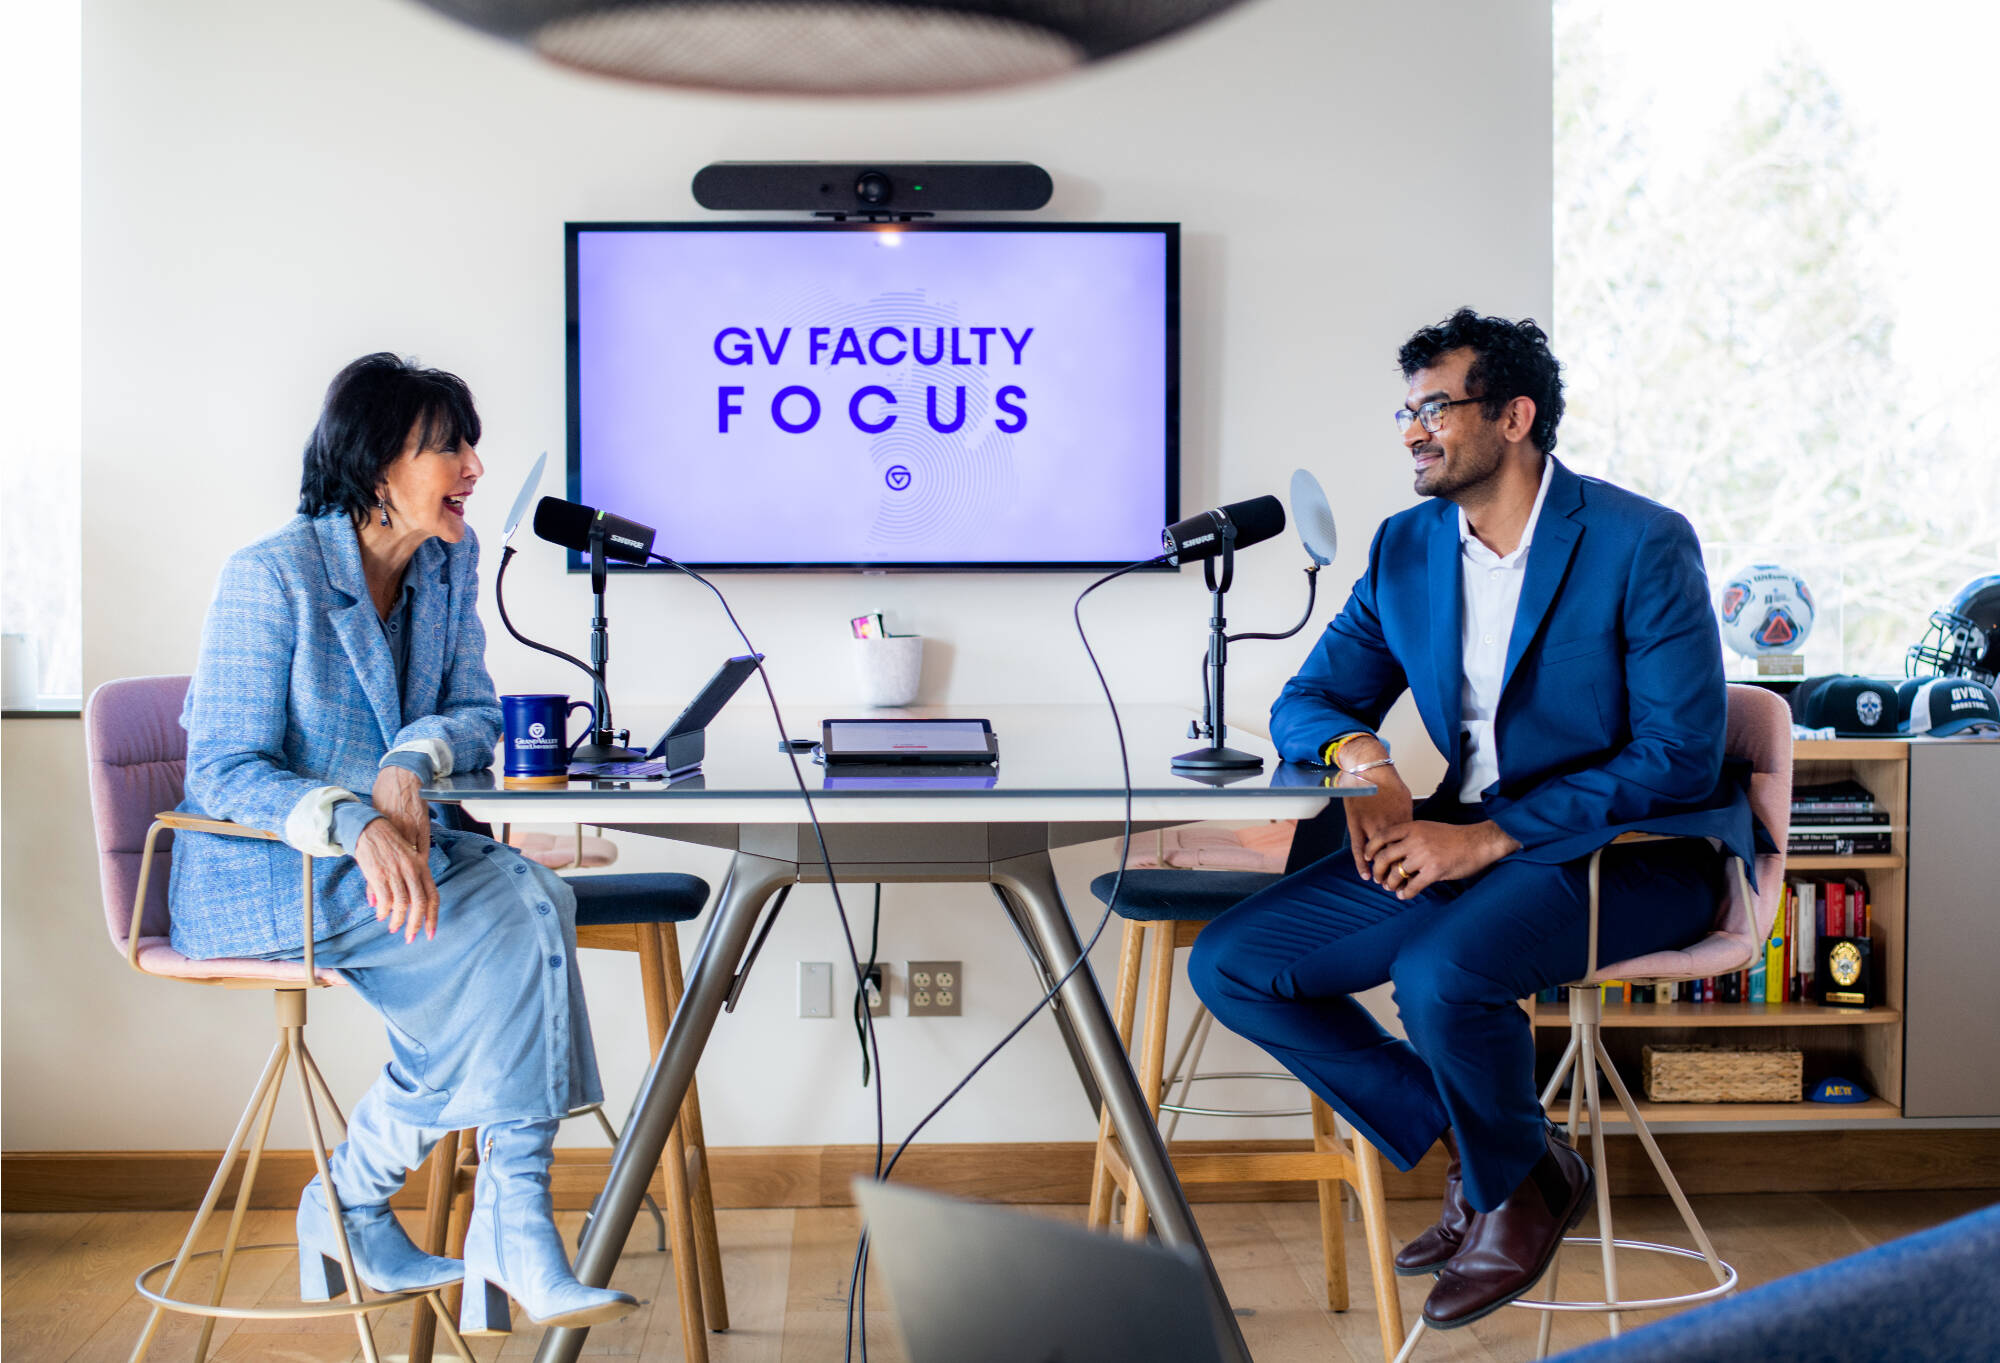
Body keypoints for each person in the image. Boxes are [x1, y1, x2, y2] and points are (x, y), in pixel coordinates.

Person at [1188, 310, 1757, 1330]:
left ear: (1513, 416)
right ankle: (1507, 1159)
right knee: (1234, 961)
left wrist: (1491, 836)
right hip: (1467, 841)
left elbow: (1677, 756)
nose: (1410, 430)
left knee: (1439, 973)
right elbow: (1305, 700)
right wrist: (1361, 755)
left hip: (1630, 853)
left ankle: (1505, 1186)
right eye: (1402, 411)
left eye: (1432, 407)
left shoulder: (1638, 541)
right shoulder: (1407, 548)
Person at [169, 353, 636, 1335]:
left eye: (471, 442)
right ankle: (449, 1219)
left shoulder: (443, 565)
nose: (473, 464)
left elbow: (469, 710)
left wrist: (408, 763)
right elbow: (219, 766)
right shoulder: (271, 578)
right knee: (516, 920)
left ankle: (379, 1208)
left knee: (533, 904)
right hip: (266, 873)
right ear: (378, 463)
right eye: (448, 445)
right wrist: (351, 817)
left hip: (390, 857)